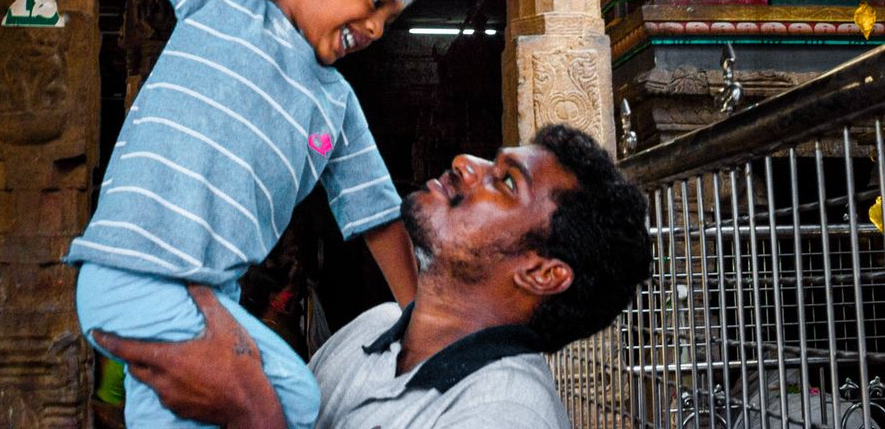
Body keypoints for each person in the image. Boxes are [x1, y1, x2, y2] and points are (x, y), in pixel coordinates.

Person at [65, 0, 426, 429]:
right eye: (374, 2)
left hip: (213, 301)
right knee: (287, 400)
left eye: (389, 21)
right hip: (135, 273)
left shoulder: (337, 106)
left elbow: (376, 215)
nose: (375, 30)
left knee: (242, 407)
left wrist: (419, 317)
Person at [93, 123, 652, 429]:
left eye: (506, 183)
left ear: (541, 272)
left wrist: (250, 415)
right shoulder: (372, 331)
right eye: (491, 160)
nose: (465, 162)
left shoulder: (503, 411)